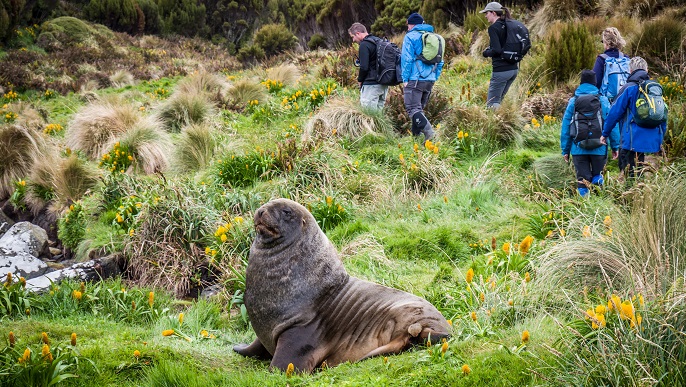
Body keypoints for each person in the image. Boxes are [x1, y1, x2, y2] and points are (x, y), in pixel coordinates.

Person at [600, 57, 667, 177]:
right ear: (646, 69)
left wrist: (605, 134)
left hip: (630, 140)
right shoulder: (654, 89)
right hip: (650, 140)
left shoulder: (628, 88)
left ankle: (631, 194)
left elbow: (613, 114)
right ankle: (640, 193)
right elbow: (663, 115)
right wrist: (660, 138)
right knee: (639, 172)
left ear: (630, 71)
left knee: (629, 175)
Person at [561, 70, 619, 197]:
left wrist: (565, 150)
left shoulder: (573, 101)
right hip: (599, 147)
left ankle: (584, 207)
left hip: (578, 148)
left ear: (581, 83)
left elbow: (566, 127)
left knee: (582, 180)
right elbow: (611, 124)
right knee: (598, 176)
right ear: (595, 83)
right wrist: (615, 146)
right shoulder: (602, 100)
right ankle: (598, 204)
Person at [401, 12, 443, 141]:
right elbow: (440, 60)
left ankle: (430, 134)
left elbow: (407, 59)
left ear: (412, 25)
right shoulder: (436, 37)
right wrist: (435, 76)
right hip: (429, 79)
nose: (407, 28)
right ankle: (416, 138)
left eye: (408, 25)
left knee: (413, 109)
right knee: (419, 110)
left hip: (415, 79)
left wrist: (405, 78)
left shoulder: (410, 37)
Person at [480, 2, 519, 109]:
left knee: (492, 103)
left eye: (486, 13)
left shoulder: (493, 28)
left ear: (493, 13)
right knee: (499, 100)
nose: (485, 15)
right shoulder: (509, 24)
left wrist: (485, 53)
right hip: (513, 69)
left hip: (501, 70)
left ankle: (496, 124)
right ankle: (503, 122)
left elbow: (496, 50)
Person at [348, 23, 388, 110]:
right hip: (383, 84)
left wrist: (360, 80)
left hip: (371, 85)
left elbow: (364, 67)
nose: (353, 40)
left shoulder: (364, 45)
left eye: (353, 37)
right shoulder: (378, 41)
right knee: (378, 117)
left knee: (369, 116)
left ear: (358, 33)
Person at [592, 27, 628, 96]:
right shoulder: (625, 58)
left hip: (608, 103)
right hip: (625, 101)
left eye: (603, 41)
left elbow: (595, 82)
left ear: (607, 43)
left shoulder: (602, 59)